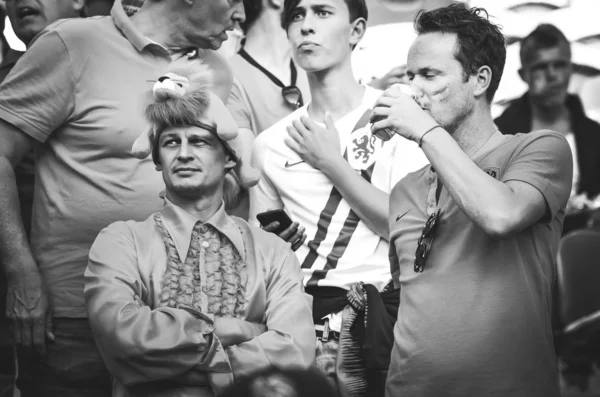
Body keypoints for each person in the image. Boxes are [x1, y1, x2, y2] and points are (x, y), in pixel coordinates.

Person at [0, 0, 244, 395]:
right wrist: (21, 275)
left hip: (184, 320)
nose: (240, 15)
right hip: (74, 318)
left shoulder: (215, 71)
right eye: (233, 0)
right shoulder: (72, 43)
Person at [370, 4, 571, 397]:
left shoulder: (539, 148)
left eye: (429, 75)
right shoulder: (405, 190)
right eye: (410, 76)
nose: (415, 90)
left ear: (479, 80)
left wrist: (424, 130)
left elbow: (501, 215)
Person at [85, 59, 313, 397]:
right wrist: (237, 330)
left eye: (200, 141)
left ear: (230, 157)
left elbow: (295, 353)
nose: (185, 153)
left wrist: (179, 354)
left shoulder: (272, 251)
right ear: (158, 159)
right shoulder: (121, 242)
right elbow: (123, 340)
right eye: (171, 142)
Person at [249, 0, 427, 394]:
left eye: (322, 12)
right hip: (297, 328)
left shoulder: (395, 118)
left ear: (357, 31)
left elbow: (405, 229)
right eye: (297, 15)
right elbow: (261, 257)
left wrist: (332, 162)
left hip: (380, 324)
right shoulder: (271, 143)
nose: (306, 26)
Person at [495, 24, 600, 233]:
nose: (552, 75)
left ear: (571, 69)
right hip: (521, 248)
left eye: (560, 65)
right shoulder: (500, 134)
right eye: (541, 67)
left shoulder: (593, 133)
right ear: (524, 74)